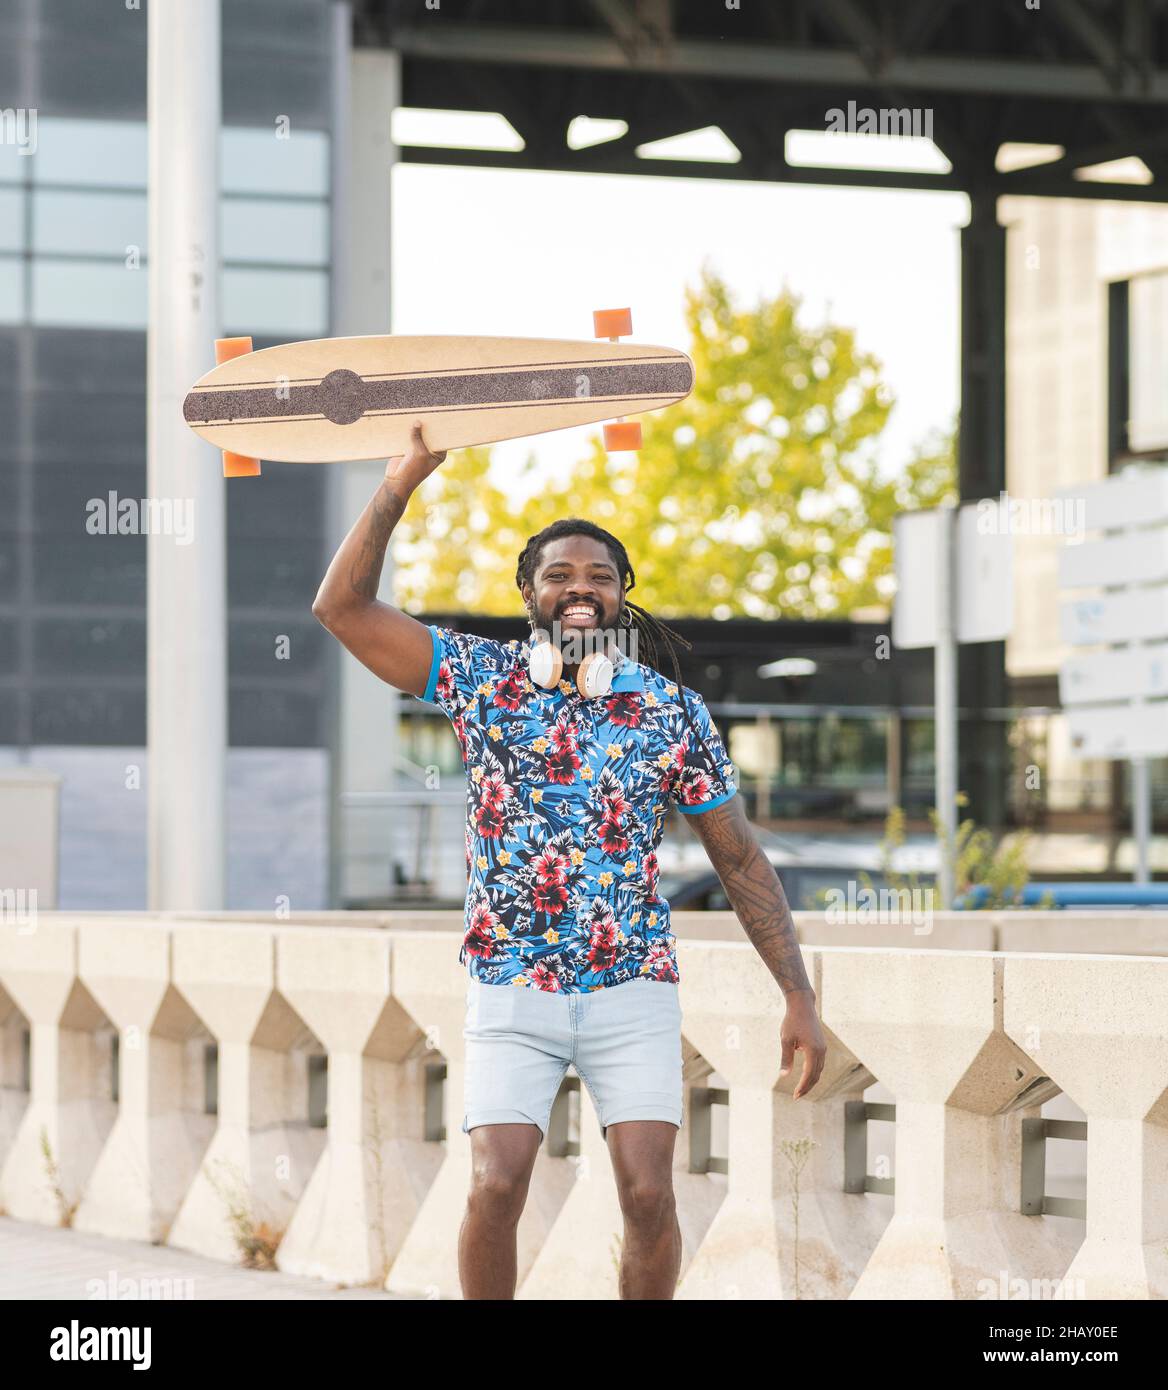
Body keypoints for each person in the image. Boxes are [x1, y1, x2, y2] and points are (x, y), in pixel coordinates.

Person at [312, 422, 827, 1299]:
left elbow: (739, 862)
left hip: (633, 988)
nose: (579, 590)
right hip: (511, 986)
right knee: (495, 1183)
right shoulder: (483, 679)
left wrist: (798, 994)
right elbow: (342, 610)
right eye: (559, 576)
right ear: (529, 595)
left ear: (624, 595)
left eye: (599, 577)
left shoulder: (674, 712)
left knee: (650, 1196)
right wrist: (401, 482)